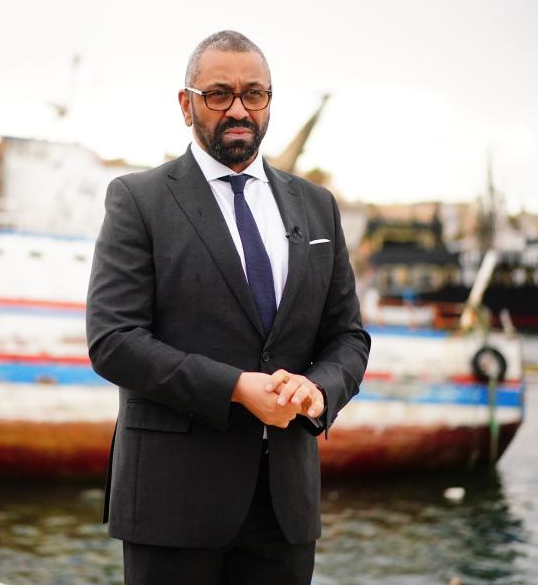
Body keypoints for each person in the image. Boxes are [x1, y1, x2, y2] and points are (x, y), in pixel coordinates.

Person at [86, 30, 370, 584]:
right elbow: (113, 339)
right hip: (171, 503)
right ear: (186, 103)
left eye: (254, 94)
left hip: (285, 507)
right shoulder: (137, 199)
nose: (238, 109)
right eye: (219, 94)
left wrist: (319, 392)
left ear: (269, 102)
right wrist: (236, 388)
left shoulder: (316, 207)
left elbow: (348, 337)